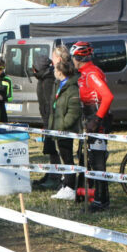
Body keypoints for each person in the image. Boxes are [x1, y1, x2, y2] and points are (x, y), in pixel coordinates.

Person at [73, 41, 114, 211]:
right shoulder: (84, 73)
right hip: (89, 117)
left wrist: (96, 119)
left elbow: (108, 96)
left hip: (97, 120)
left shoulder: (91, 74)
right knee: (87, 157)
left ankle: (101, 200)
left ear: (78, 58)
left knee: (98, 161)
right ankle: (88, 194)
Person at [49, 59, 83, 200]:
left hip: (65, 130)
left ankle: (70, 187)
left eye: (55, 70)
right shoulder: (58, 85)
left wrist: (63, 126)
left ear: (60, 72)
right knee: (64, 157)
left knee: (67, 158)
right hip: (57, 128)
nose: (54, 72)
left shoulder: (72, 88)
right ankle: (66, 184)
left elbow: (73, 112)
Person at [31, 53, 61, 190]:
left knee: (53, 148)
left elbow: (51, 105)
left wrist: (49, 124)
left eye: (34, 68)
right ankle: (52, 173)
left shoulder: (49, 81)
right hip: (47, 120)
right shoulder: (43, 79)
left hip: (52, 121)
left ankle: (56, 177)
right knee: (50, 149)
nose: (33, 71)